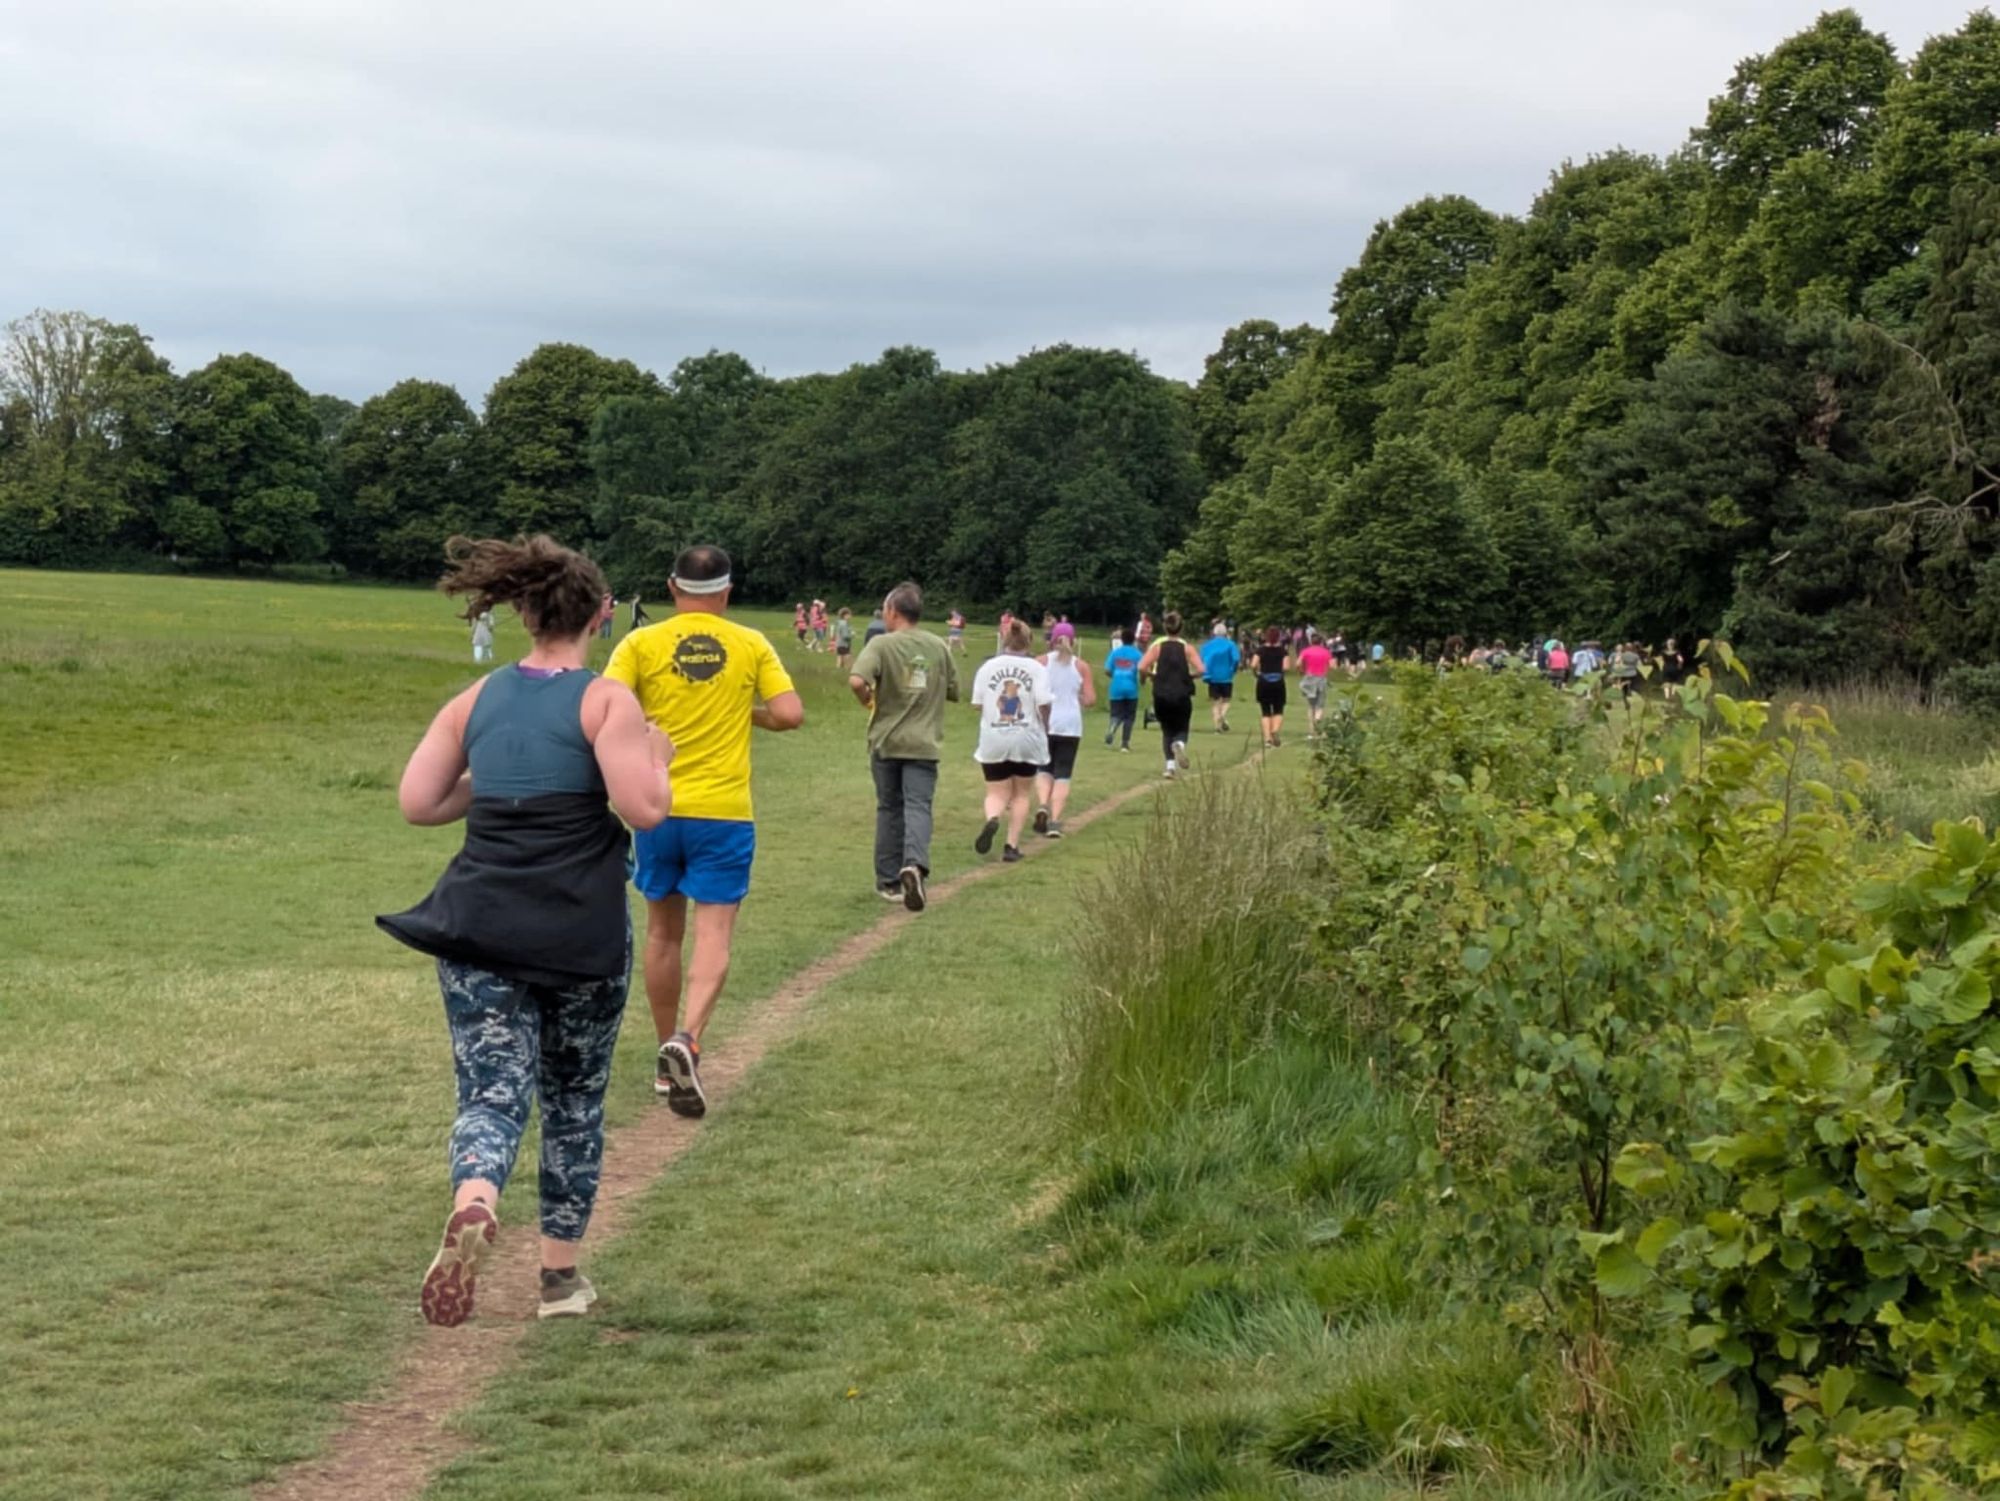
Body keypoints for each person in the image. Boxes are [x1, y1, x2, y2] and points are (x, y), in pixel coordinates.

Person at [380, 535, 674, 1327]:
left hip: (478, 925)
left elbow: (419, 801)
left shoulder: (474, 700)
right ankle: (558, 1278)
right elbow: (643, 808)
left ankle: (474, 1198)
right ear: (600, 613)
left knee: (490, 1090)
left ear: (520, 610)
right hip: (579, 934)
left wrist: (493, 781)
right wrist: (659, 756)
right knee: (573, 1099)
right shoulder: (606, 701)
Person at [604, 545, 803, 1119]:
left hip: (658, 806)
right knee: (714, 933)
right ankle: (687, 1040)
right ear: (727, 591)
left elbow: (605, 707)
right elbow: (789, 713)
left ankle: (663, 1055)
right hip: (724, 811)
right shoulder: (750, 643)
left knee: (663, 933)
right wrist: (747, 713)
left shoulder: (640, 643)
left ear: (672, 588)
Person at [849, 582, 959, 910]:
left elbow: (856, 680)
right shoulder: (938, 645)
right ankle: (914, 865)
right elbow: (953, 690)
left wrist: (866, 697)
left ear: (892, 611)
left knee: (889, 808)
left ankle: (889, 881)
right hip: (923, 743)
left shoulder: (881, 644)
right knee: (918, 806)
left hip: (886, 741)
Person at [970, 620, 1051, 862]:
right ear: (1029, 641)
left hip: (994, 738)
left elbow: (977, 704)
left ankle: (993, 817)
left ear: (1005, 640)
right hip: (1026, 737)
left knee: (995, 791)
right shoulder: (1037, 668)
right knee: (1021, 794)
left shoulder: (987, 667)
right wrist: (1046, 726)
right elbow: (1044, 703)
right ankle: (1011, 845)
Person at [1035, 631, 1095, 838]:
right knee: (1063, 773)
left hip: (1045, 721)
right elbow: (1090, 699)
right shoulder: (1081, 666)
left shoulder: (1041, 662)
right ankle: (1055, 820)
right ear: (1074, 641)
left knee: (1044, 768)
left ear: (1051, 641)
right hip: (1070, 724)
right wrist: (1077, 697)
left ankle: (1042, 804)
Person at [1138, 611, 1196, 780]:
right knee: (1182, 726)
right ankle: (1180, 744)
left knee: (1166, 729)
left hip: (1161, 693)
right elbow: (1202, 669)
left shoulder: (1157, 647)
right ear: (1181, 628)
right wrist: (1189, 676)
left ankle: (1170, 767)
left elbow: (1141, 667)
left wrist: (1152, 676)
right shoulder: (1187, 648)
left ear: (1165, 627)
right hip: (1182, 693)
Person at [1103, 627, 1142, 752]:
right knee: (1129, 717)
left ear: (1122, 640)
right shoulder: (1137, 654)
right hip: (1131, 687)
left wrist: (1114, 676)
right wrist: (1142, 679)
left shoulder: (1115, 653)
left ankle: (1113, 726)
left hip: (1116, 687)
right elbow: (1143, 668)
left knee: (1116, 713)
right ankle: (1125, 744)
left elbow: (1107, 670)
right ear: (1133, 640)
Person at [1199, 622, 1241, 733]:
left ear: (1214, 632)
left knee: (1215, 702)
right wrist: (1233, 669)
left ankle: (1217, 727)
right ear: (1225, 633)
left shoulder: (1207, 645)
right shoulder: (1230, 644)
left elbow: (1202, 659)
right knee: (1226, 700)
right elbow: (1236, 659)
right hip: (1226, 676)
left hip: (1212, 677)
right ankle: (1222, 716)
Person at [1252, 627, 1290, 749]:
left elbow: (1253, 664)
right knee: (1278, 709)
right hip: (1278, 681)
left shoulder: (1261, 650)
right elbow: (1286, 667)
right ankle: (1275, 730)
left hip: (1263, 681)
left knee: (1265, 711)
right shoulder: (1282, 651)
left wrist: (1256, 673)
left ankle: (1267, 739)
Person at [1298, 633, 1333, 740]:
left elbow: (1298, 663)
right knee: (1320, 706)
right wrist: (1326, 670)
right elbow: (1332, 665)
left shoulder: (1306, 651)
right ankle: (1318, 723)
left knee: (1311, 706)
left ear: (1311, 641)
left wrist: (1302, 670)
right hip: (1321, 678)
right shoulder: (1326, 652)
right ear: (1321, 642)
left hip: (1309, 678)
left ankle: (1311, 731)